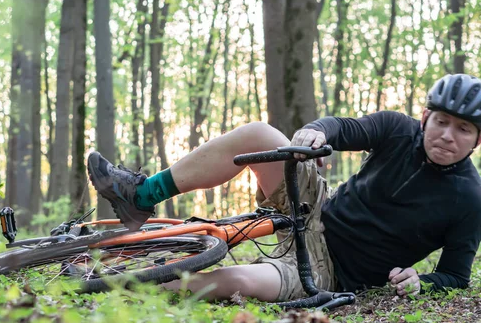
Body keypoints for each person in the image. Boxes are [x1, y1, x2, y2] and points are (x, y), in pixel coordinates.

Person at [88, 74, 481, 302]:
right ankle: (139, 197)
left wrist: (422, 281)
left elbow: (455, 275)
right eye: (442, 121)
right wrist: (315, 131)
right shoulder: (398, 129)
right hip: (314, 212)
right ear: (426, 116)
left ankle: (123, 290)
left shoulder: (469, 198)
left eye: (463, 129)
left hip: (328, 274)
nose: (448, 135)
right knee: (260, 133)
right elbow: (345, 128)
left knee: (236, 280)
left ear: (476, 140)